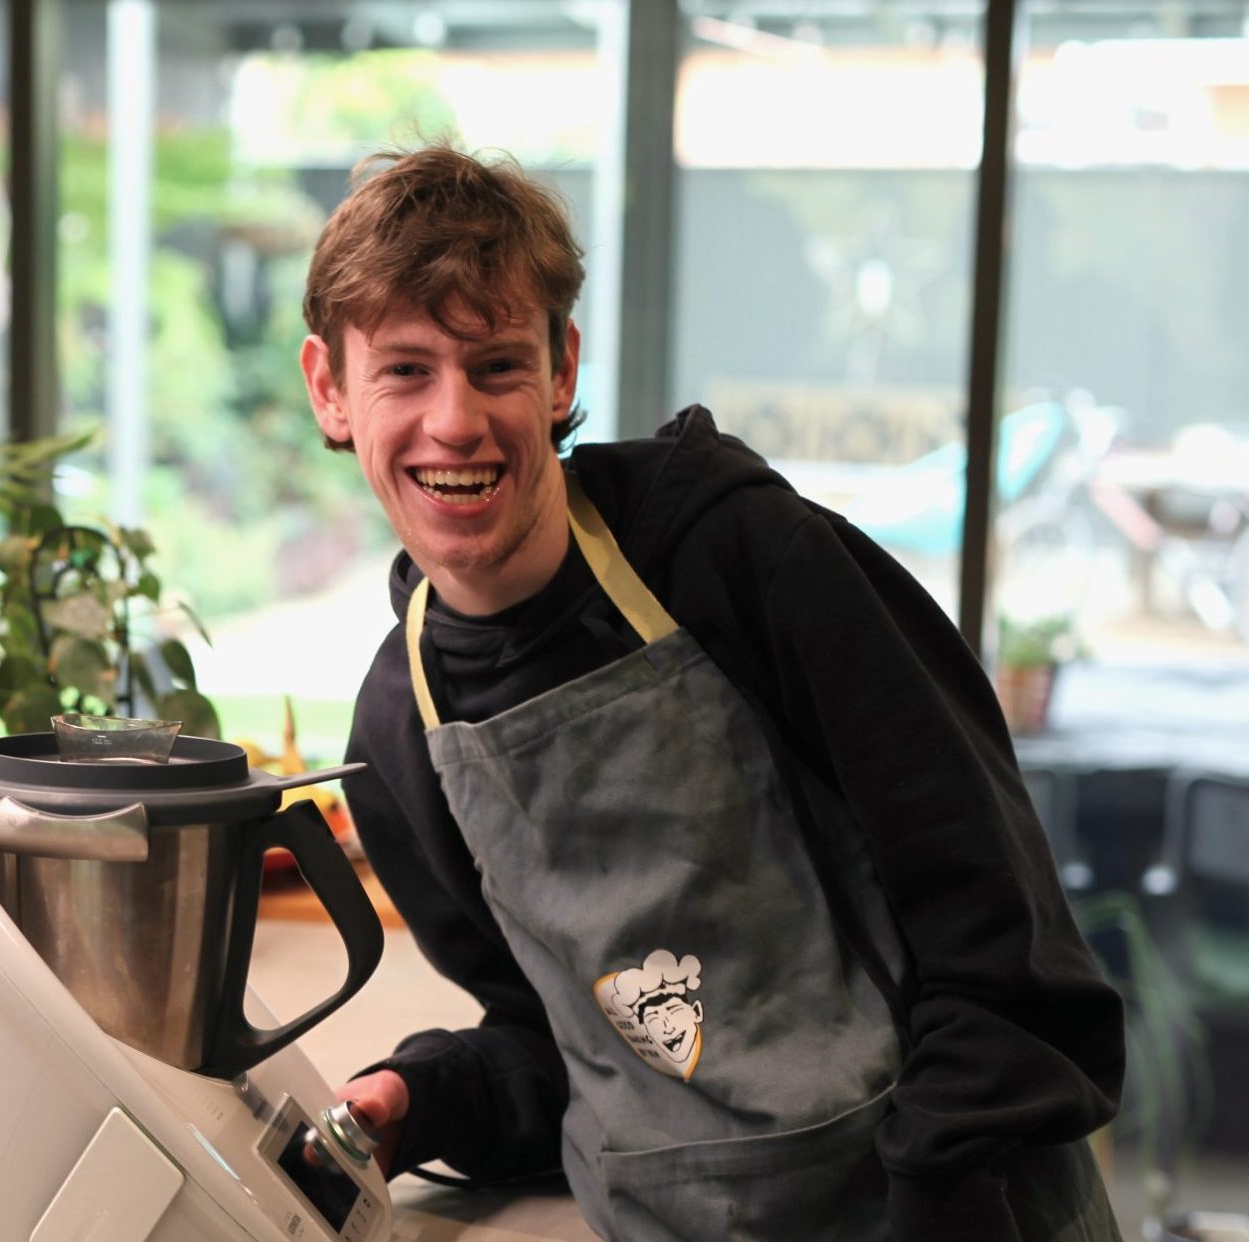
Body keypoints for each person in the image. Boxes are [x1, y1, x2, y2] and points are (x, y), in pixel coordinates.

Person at [298, 143, 1125, 1241]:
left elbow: (1007, 949)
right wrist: (422, 1098)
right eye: (404, 369)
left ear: (561, 373)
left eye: (495, 364)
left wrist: (939, 1205)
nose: (455, 422)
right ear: (330, 389)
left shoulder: (739, 559)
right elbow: (575, 1046)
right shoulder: (402, 731)